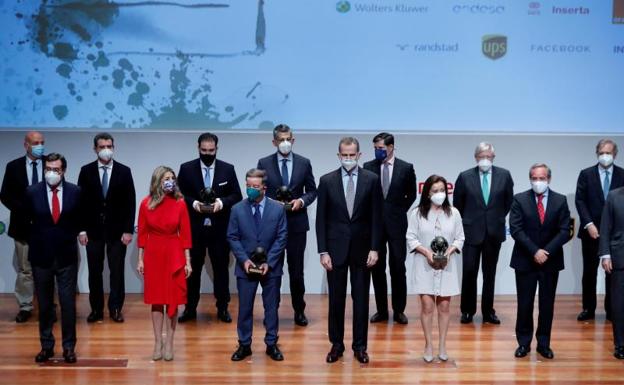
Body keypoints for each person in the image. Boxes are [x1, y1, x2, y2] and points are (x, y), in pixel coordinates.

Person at [316, 137, 382, 364]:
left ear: (359, 155)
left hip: (363, 251)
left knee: (361, 300)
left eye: (352, 155)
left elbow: (376, 217)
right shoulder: (326, 181)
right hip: (335, 251)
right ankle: (336, 345)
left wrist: (375, 248)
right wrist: (322, 251)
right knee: (335, 301)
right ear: (338, 155)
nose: (348, 159)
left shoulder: (372, 180)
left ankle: (360, 346)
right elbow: (321, 219)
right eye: (344, 155)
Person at [177, 132, 242, 323]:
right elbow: (179, 194)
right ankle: (190, 308)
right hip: (194, 229)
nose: (207, 153)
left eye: (211, 150)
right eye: (204, 150)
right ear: (198, 148)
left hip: (219, 230)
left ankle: (222, 308)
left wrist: (222, 203)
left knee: (221, 270)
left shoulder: (227, 169)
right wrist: (193, 204)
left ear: (216, 149)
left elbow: (237, 195)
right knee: (192, 271)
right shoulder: (186, 169)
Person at [24, 153, 82, 363]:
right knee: (45, 305)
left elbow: (79, 219)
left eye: (56, 169)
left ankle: (68, 347)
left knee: (68, 304)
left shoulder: (75, 191)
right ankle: (46, 346)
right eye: (48, 168)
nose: (51, 173)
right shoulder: (32, 192)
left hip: (66, 256)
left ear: (63, 171)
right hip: (41, 257)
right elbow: (25, 221)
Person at [257, 124, 317, 326]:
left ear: (293, 140)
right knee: (272, 271)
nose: (285, 143)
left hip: (296, 224)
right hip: (272, 226)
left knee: (296, 272)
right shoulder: (263, 162)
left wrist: (301, 201)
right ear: (274, 142)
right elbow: (259, 191)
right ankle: (270, 312)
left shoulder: (304, 162)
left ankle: (299, 310)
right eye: (281, 139)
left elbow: (312, 191)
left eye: (288, 139)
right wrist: (272, 204)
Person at [510, 163, 570, 360]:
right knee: (524, 304)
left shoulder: (560, 201)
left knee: (547, 305)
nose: (538, 182)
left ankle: (544, 344)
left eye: (541, 178)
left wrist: (546, 252)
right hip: (525, 260)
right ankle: (524, 343)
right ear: (530, 179)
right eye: (534, 178)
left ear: (549, 179)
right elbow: (516, 229)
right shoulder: (519, 199)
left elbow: (564, 231)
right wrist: (535, 251)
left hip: (550, 261)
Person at [227, 169, 288, 362]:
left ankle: (271, 344)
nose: (251, 190)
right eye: (248, 186)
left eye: (255, 186)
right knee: (245, 308)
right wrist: (244, 260)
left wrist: (269, 263)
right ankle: (244, 345)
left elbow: (282, 237)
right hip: (246, 268)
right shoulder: (237, 209)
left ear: (264, 187)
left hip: (271, 268)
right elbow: (232, 236)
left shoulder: (278, 209)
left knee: (271, 308)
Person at [78, 132, 136, 323]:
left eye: (109, 146)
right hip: (93, 231)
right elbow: (80, 203)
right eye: (102, 147)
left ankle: (116, 308)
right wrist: (82, 230)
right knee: (95, 271)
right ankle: (96, 309)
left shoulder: (124, 171)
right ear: (95, 149)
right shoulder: (85, 171)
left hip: (117, 231)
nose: (106, 150)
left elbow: (130, 202)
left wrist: (128, 230)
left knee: (117, 271)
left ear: (113, 147)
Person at [406, 175, 465, 362]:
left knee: (445, 307)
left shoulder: (453, 213)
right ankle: (428, 344)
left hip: (447, 266)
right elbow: (411, 238)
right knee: (427, 306)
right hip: (424, 265)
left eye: (442, 190)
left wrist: (449, 251)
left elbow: (460, 238)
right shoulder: (416, 213)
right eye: (435, 191)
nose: (439, 194)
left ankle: (442, 344)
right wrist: (426, 252)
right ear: (427, 193)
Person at [136, 166, 192, 361]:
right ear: (158, 181)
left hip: (174, 252)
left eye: (172, 178)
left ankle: (170, 342)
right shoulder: (145, 204)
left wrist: (187, 261)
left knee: (172, 301)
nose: (170, 181)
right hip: (154, 254)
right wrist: (140, 259)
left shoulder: (180, 203)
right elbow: (142, 234)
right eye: (166, 178)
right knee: (157, 300)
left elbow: (185, 234)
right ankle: (157, 341)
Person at [454, 142, 514, 325]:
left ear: (493, 158)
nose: (485, 160)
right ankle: (467, 310)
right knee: (469, 271)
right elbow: (458, 205)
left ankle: (488, 311)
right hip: (471, 232)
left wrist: (493, 219)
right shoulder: (465, 177)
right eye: (482, 157)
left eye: (489, 157)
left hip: (493, 232)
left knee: (490, 273)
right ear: (476, 158)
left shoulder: (504, 175)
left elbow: (508, 202)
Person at [363, 132, 416, 325]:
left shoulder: (406, 168)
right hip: (374, 226)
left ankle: (399, 310)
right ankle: (381, 310)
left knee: (397, 267)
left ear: (391, 147)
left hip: (397, 225)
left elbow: (411, 194)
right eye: (375, 148)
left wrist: (399, 210)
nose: (378, 151)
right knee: (377, 268)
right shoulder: (368, 167)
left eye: (381, 148)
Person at [575, 139, 624, 321]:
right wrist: (589, 224)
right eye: (602, 152)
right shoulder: (586, 174)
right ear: (597, 153)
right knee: (589, 272)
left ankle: (612, 310)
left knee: (613, 273)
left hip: (616, 234)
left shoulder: (622, 174)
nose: (605, 156)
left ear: (615, 154)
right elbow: (580, 200)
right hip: (591, 232)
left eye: (608, 153)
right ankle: (588, 308)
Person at [0, 131, 45, 323]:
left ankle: (47, 304)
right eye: (36, 143)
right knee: (25, 269)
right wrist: (24, 210)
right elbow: (5, 195)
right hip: (23, 226)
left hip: (47, 228)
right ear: (26, 145)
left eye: (42, 142)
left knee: (47, 268)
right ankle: (25, 306)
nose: (40, 146)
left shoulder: (51, 164)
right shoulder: (14, 166)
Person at [599, 186, 624, 359]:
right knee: (619, 303)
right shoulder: (614, 196)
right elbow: (606, 226)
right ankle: (621, 344)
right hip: (619, 256)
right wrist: (605, 254)